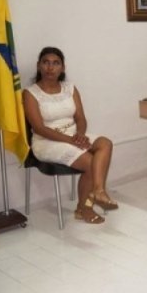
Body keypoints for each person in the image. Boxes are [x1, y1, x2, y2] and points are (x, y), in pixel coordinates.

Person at [23, 47, 117, 225]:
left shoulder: (70, 88)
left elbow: (80, 118)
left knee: (106, 143)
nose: (50, 67)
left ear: (63, 67)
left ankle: (98, 190)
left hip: (73, 134)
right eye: (46, 62)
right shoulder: (30, 93)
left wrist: (79, 135)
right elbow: (39, 128)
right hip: (46, 141)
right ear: (38, 66)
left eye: (56, 63)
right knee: (90, 162)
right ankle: (84, 208)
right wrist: (72, 140)